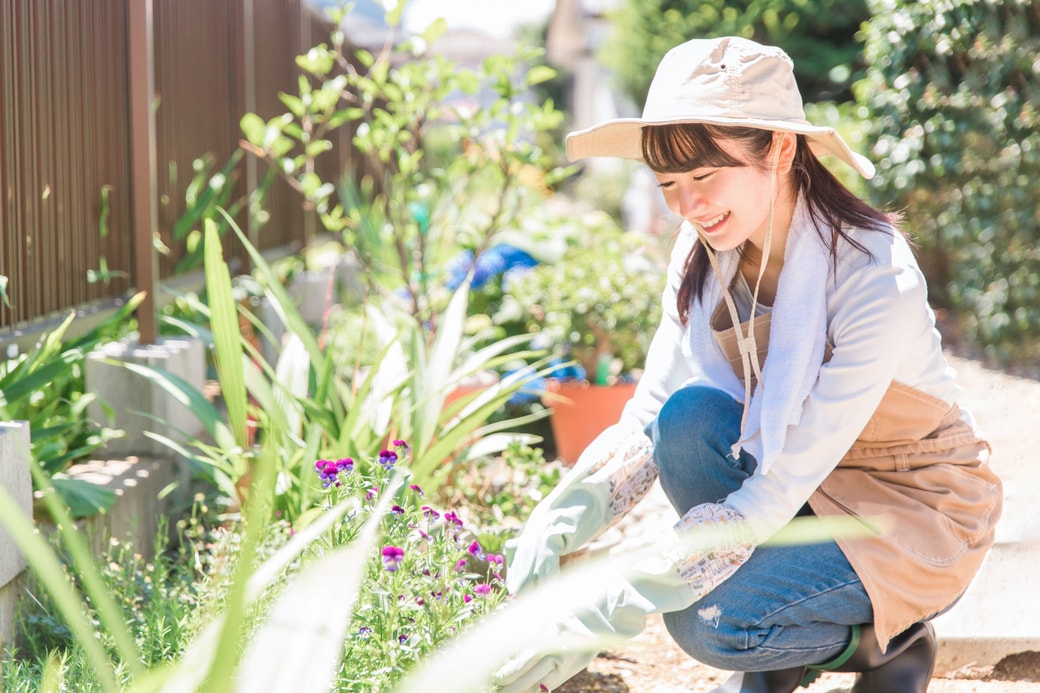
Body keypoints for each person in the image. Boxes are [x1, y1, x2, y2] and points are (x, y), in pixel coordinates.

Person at [493, 36, 1002, 693]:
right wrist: (568, 512)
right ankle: (781, 648)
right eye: (670, 184)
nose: (687, 205)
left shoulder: (874, 274)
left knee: (710, 620)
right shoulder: (702, 253)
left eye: (705, 176)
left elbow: (781, 483)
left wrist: (626, 593)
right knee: (684, 420)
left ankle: (889, 644)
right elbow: (652, 412)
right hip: (805, 487)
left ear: (780, 150)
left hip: (909, 504)